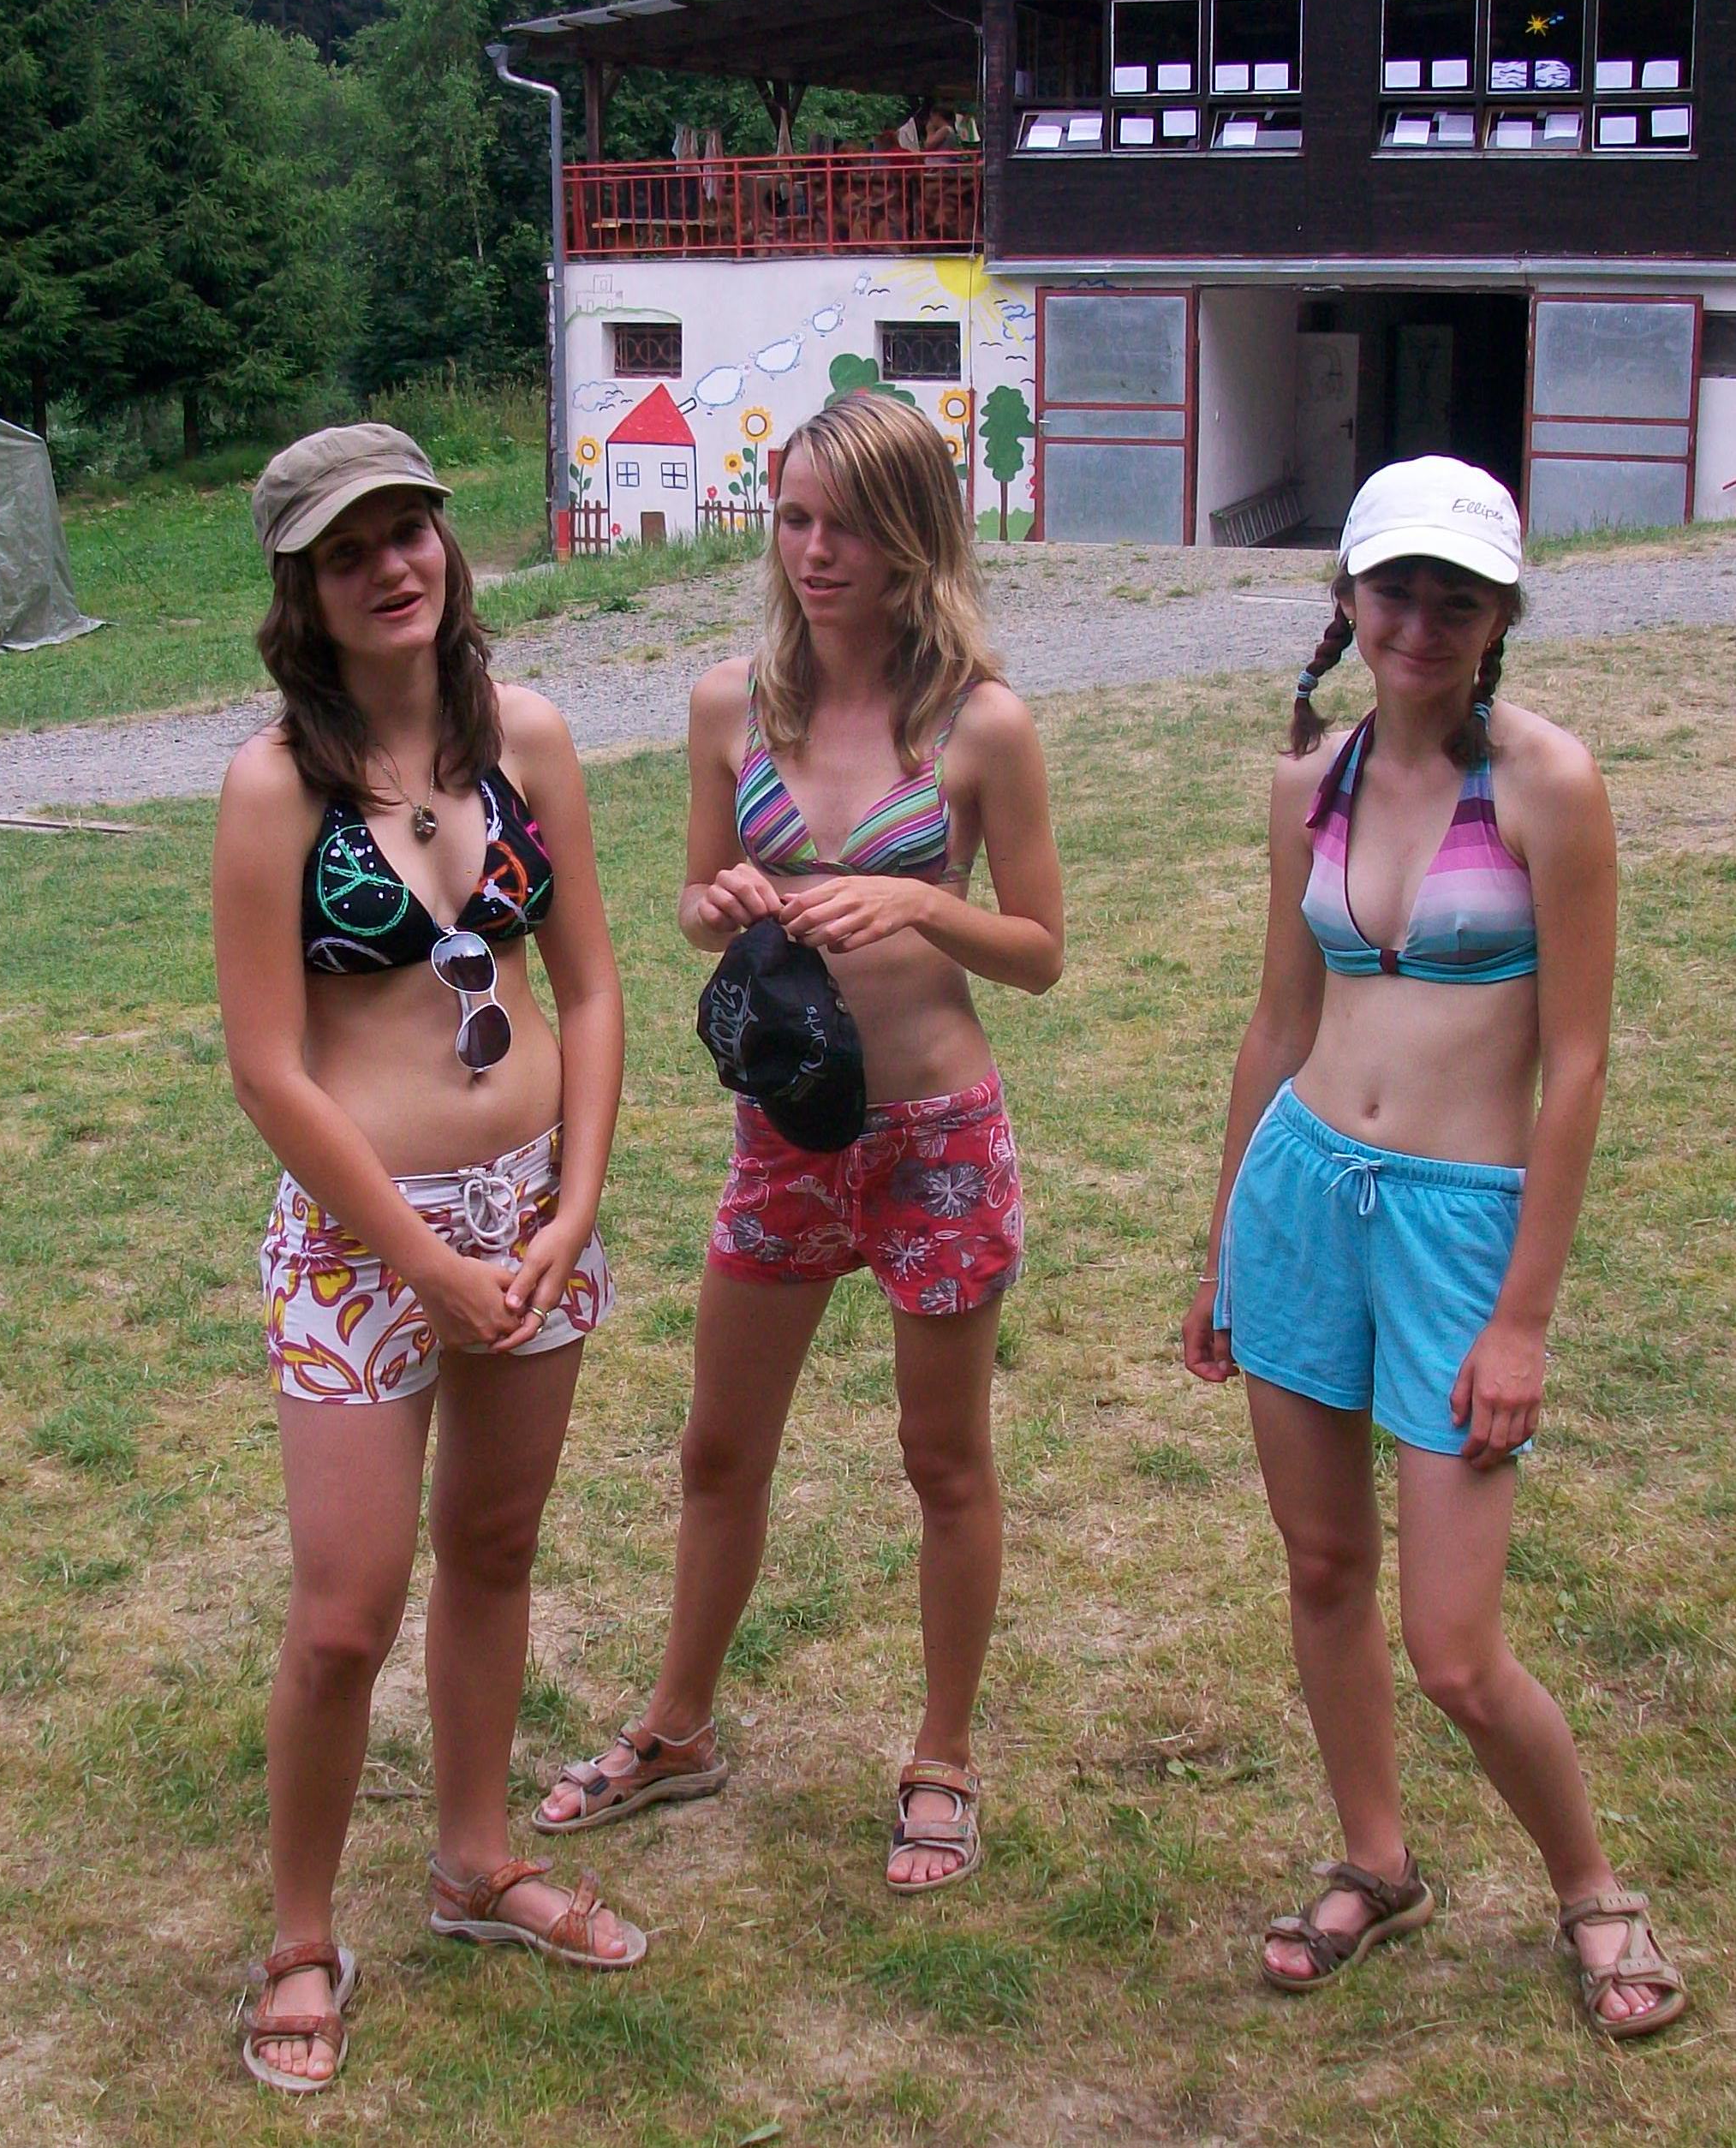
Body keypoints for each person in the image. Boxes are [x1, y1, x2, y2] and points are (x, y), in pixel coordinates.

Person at [1181, 457, 1686, 2040]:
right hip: (1300, 1197)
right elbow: (1279, 1018)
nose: (1418, 620)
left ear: (1498, 615)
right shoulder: (1306, 784)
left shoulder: (1549, 783)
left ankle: (1591, 1888)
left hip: (1459, 1227)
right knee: (1323, 1565)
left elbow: (1577, 1066)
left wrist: (1521, 1317)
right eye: (1393, 587)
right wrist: (1220, 1243)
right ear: (1345, 598)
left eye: (1454, 596)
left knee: (1455, 1649)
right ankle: (1375, 1861)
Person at [534, 392, 1065, 1890]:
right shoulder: (731, 706)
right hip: (784, 1129)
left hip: (934, 1134)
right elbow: (697, 898)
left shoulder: (979, 723)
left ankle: (942, 1757)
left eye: (847, 524)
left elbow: (1037, 950)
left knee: (942, 1457)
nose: (815, 551)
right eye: (794, 518)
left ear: (912, 537)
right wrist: (716, 904)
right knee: (719, 1447)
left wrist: (918, 899)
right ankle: (677, 1726)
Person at [214, 424, 642, 2097]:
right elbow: (270, 1068)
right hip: (359, 1235)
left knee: (494, 1544)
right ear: (303, 591)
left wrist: (571, 1204)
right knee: (345, 1612)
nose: (390, 566)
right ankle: (298, 1937)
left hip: (530, 1210)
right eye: (348, 550)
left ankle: (475, 1858)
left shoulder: (524, 735)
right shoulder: (276, 784)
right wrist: (420, 1259)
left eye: (410, 531)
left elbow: (588, 986)